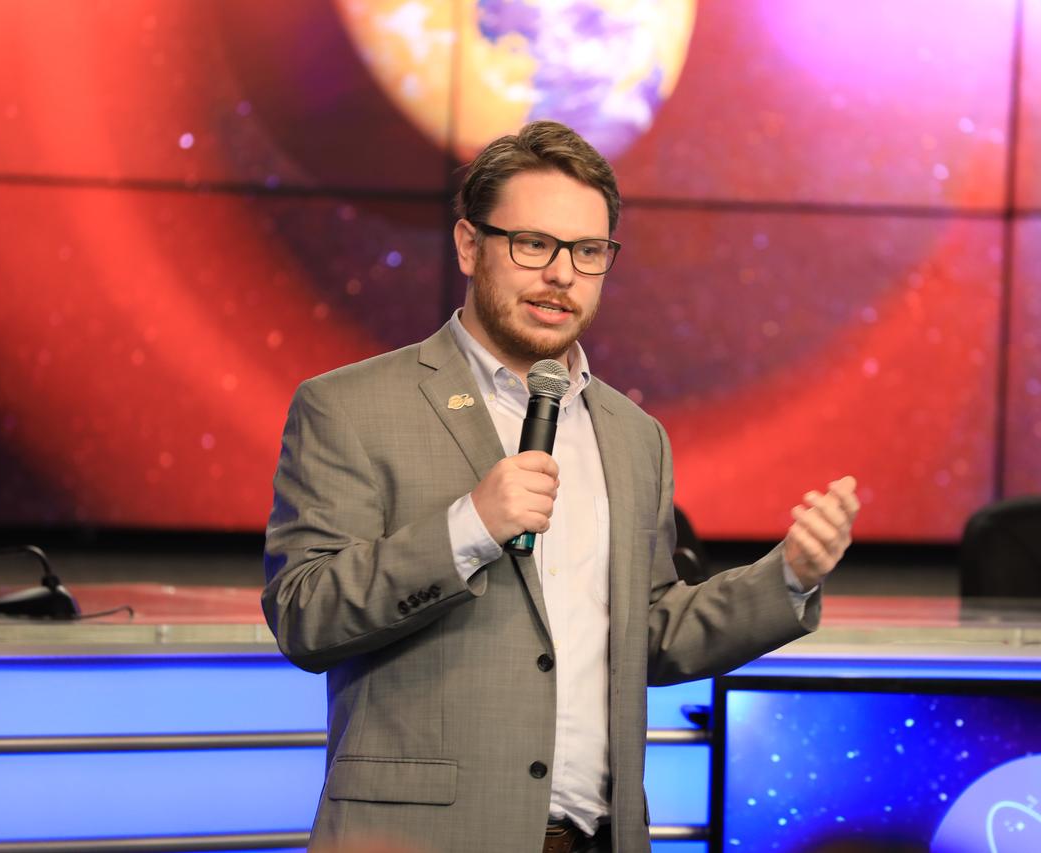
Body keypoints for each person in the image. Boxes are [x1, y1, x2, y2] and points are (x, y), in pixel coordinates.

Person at [263, 120, 860, 853]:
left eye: (587, 251)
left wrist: (789, 576)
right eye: (534, 244)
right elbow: (304, 614)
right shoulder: (350, 406)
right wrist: (468, 526)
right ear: (468, 244)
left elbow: (648, 631)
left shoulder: (634, 434)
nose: (561, 274)